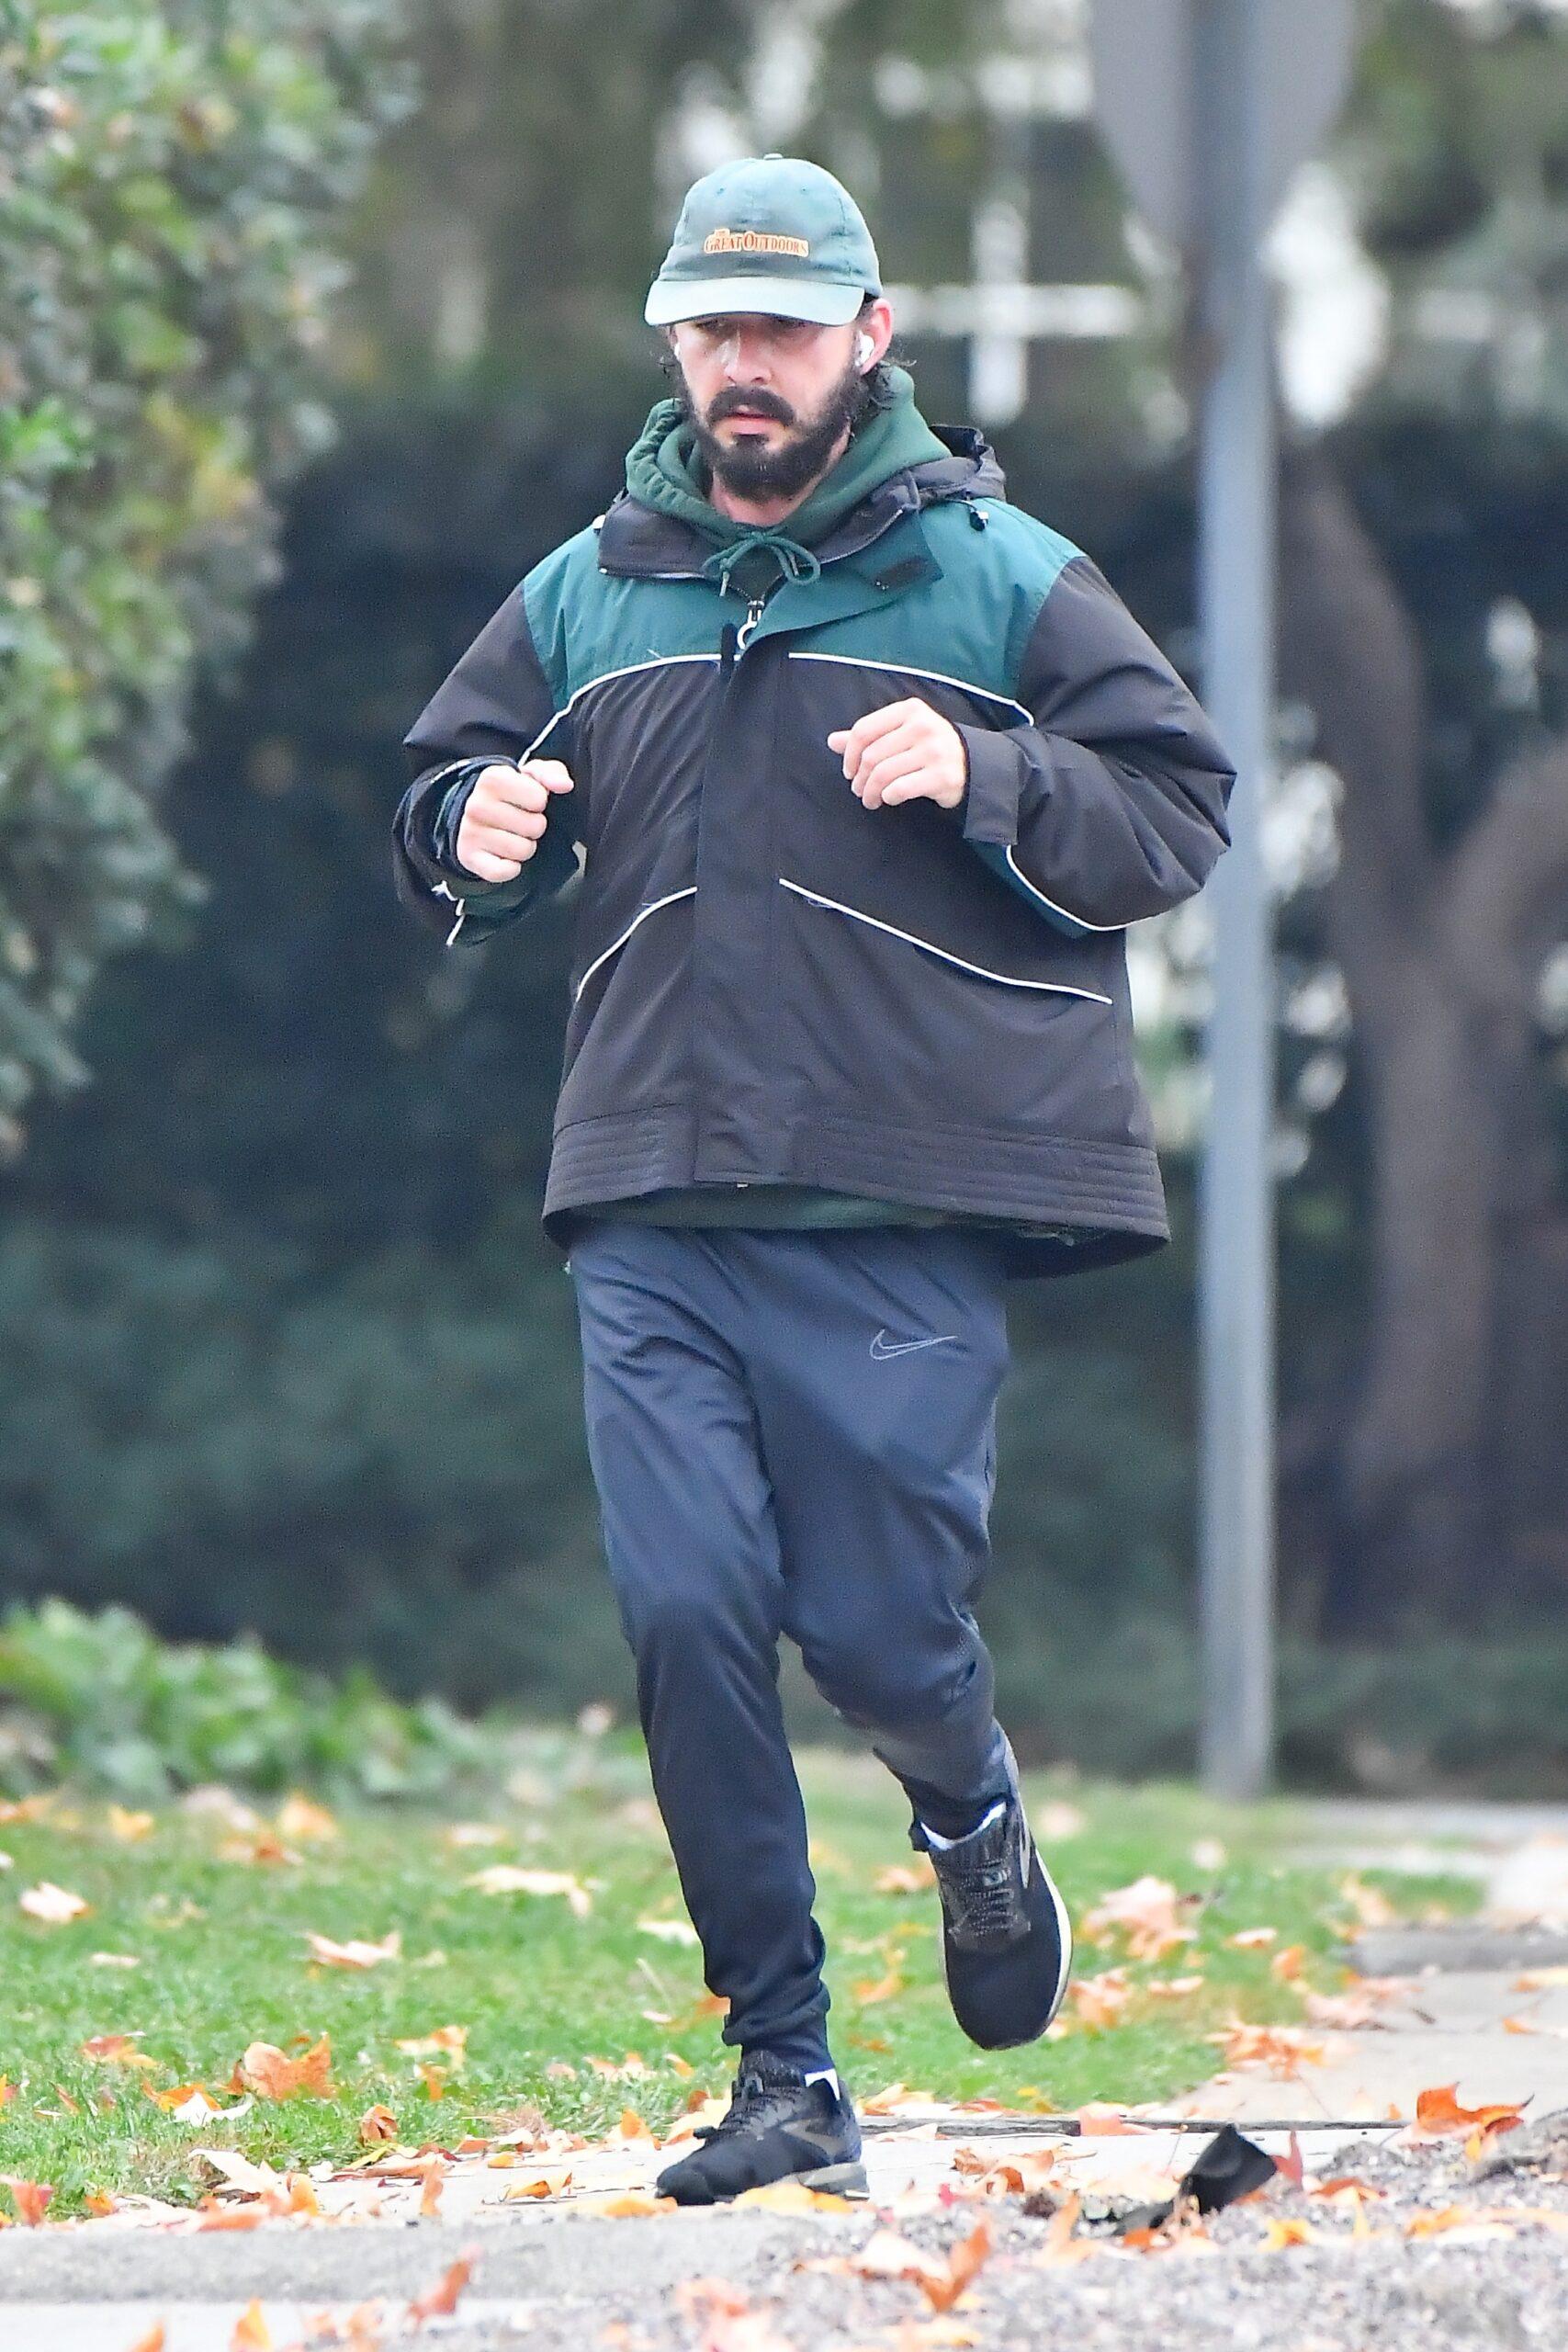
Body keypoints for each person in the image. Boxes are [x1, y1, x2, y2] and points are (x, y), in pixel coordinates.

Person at [392, 153, 1235, 2206]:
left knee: (873, 1626)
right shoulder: (588, 587)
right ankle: (787, 2071)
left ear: (870, 337)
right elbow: (440, 784)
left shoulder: (999, 578)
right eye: (709, 329)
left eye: (779, 329)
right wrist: (469, 821)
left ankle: (967, 1814)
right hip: (650, 1190)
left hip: (897, 1193)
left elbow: (1177, 805)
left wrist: (992, 771)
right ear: (671, 345)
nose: (740, 367)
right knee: (687, 1610)